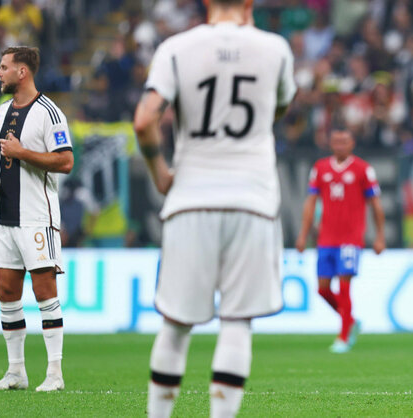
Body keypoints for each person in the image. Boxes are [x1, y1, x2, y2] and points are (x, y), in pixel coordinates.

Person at [132, 0, 296, 416]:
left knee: (175, 326)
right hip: (253, 199)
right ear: (248, 5)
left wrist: (161, 174)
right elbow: (277, 109)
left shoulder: (176, 48)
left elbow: (145, 119)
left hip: (191, 197)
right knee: (238, 323)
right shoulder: (275, 48)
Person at [0, 46, 74, 392]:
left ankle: (55, 374)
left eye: (4, 67)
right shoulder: (4, 110)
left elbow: (65, 162)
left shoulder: (50, 114)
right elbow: (4, 149)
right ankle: (16, 372)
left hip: (36, 216)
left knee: (44, 290)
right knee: (7, 290)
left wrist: (22, 153)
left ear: (22, 72)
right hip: (5, 217)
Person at [295, 129, 385, 353]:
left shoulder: (363, 169)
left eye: (344, 141)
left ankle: (344, 336)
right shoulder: (321, 168)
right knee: (323, 289)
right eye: (336, 141)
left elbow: (375, 205)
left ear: (352, 143)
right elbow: (310, 203)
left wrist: (380, 236)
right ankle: (351, 321)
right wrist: (303, 235)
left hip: (351, 238)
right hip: (326, 237)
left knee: (344, 288)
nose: (339, 145)